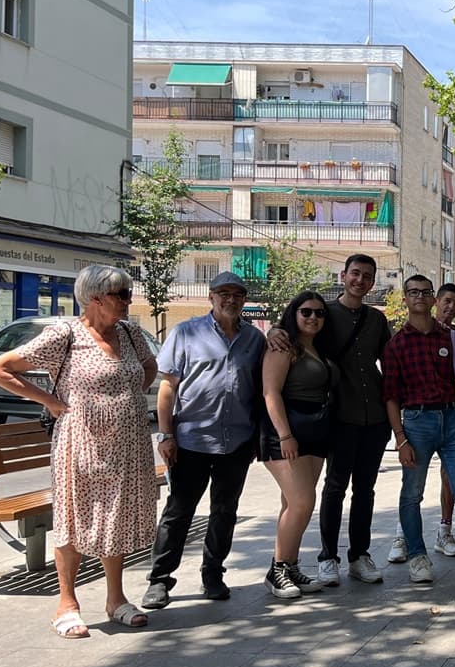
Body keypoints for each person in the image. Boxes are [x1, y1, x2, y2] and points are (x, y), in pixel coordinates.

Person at [0, 265, 158, 638]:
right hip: (81, 442)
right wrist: (49, 400)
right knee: (74, 518)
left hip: (127, 444)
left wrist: (126, 398)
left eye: (128, 293)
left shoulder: (128, 333)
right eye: (120, 295)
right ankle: (67, 603)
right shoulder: (64, 335)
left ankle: (116, 600)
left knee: (117, 516)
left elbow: (149, 365)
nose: (128, 301)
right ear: (95, 298)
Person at [267, 254, 393, 587]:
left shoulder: (377, 320)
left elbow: (391, 362)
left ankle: (359, 555)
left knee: (365, 489)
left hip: (374, 416)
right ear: (343, 275)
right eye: (355, 273)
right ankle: (327, 557)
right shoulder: (325, 313)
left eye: (368, 276)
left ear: (373, 281)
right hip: (337, 416)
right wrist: (275, 331)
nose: (360, 280)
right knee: (333, 489)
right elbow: (296, 328)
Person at [143, 272, 265, 610]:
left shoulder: (254, 340)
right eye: (223, 293)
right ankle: (159, 580)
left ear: (244, 300)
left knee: (225, 511)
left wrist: (256, 436)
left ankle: (213, 574)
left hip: (237, 442)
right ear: (211, 297)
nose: (231, 300)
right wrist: (166, 434)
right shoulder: (186, 332)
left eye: (237, 294)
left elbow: (258, 390)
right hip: (191, 440)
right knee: (179, 511)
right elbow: (168, 388)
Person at [383, 274, 455, 585]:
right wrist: (400, 438)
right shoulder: (396, 345)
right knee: (412, 494)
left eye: (425, 292)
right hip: (417, 423)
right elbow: (390, 397)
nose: (419, 297)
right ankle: (417, 556)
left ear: (433, 299)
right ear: (404, 299)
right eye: (412, 292)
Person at [258, 291, 335, 600]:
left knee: (293, 505)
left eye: (319, 313)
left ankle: (289, 566)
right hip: (287, 431)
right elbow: (270, 393)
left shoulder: (318, 348)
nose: (313, 317)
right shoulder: (282, 347)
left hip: (317, 430)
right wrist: (285, 435)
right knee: (303, 501)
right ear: (294, 313)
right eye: (306, 312)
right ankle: (276, 570)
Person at [431, 282, 455, 559]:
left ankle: (445, 530)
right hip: (419, 415)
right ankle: (401, 535)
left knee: (453, 477)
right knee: (412, 481)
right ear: (436, 301)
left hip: (452, 413)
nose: (450, 307)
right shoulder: (414, 331)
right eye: (447, 301)